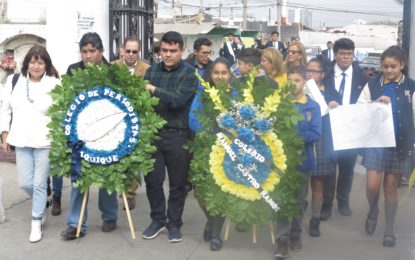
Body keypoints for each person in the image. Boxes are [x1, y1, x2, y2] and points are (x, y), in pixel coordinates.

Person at [61, 32, 119, 240]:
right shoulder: (73, 70)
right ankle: (75, 224)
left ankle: (110, 216)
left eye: (92, 51)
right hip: (81, 134)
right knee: (79, 176)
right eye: (84, 51)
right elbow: (66, 99)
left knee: (108, 174)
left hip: (108, 132)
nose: (87, 56)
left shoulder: (113, 72)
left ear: (101, 51)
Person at [141, 31, 198, 243]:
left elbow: (178, 101)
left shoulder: (189, 73)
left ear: (182, 51)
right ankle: (157, 219)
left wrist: (154, 90)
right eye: (164, 50)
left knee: (178, 184)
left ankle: (174, 223)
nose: (167, 54)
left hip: (179, 136)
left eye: (173, 51)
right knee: (153, 181)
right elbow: (144, 101)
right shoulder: (151, 71)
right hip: (153, 135)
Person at [0, 45, 60, 242]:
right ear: (27, 63)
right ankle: (42, 204)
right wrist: (4, 135)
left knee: (39, 183)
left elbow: (61, 112)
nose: (36, 66)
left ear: (46, 65)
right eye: (33, 61)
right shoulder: (13, 80)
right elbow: (5, 109)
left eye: (40, 62)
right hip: (21, 139)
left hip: (45, 141)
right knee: (26, 182)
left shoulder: (54, 83)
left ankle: (36, 222)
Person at [357, 46, 414, 247]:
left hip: (399, 145)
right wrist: (374, 103)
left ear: (402, 65)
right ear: (381, 66)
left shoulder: (411, 86)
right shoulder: (372, 84)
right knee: (372, 186)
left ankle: (389, 229)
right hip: (375, 143)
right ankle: (373, 209)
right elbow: (360, 109)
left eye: (393, 66)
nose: (389, 70)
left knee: (390, 188)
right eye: (386, 66)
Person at [274, 65, 321, 259]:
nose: (293, 85)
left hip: (303, 161)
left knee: (300, 201)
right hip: (282, 162)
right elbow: (274, 129)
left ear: (304, 82)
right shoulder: (280, 104)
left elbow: (316, 132)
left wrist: (293, 137)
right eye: (290, 81)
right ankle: (282, 240)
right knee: (282, 200)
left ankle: (296, 234)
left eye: (297, 80)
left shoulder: (313, 106)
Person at [188, 57, 234, 250]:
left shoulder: (236, 94)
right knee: (200, 192)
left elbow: (241, 120)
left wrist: (227, 132)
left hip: (228, 150)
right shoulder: (203, 93)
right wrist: (209, 131)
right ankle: (210, 220)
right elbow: (193, 119)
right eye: (216, 73)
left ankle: (216, 234)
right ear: (211, 74)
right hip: (204, 148)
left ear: (230, 75)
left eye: (224, 73)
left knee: (221, 191)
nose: (220, 76)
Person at [321, 38, 368, 220]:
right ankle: (326, 204)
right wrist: (327, 102)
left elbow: (367, 99)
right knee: (329, 168)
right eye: (342, 53)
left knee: (347, 168)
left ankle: (343, 201)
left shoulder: (362, 75)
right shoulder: (325, 72)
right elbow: (317, 94)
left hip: (351, 130)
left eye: (349, 54)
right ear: (335, 54)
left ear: (353, 54)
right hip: (330, 127)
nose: (346, 57)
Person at [112, 36, 149, 210]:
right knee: (118, 155)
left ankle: (130, 193)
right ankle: (119, 187)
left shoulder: (147, 69)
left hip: (137, 119)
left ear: (139, 52)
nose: (131, 54)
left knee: (134, 159)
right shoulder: (112, 68)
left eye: (135, 51)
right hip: (115, 120)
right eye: (128, 51)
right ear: (122, 50)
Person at [306, 57, 336, 236]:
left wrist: (334, 105)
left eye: (314, 71)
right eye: (307, 70)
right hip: (303, 139)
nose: (309, 73)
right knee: (301, 184)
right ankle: (298, 211)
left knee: (318, 184)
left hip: (322, 140)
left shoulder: (330, 92)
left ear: (323, 74)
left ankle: (315, 219)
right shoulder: (299, 88)